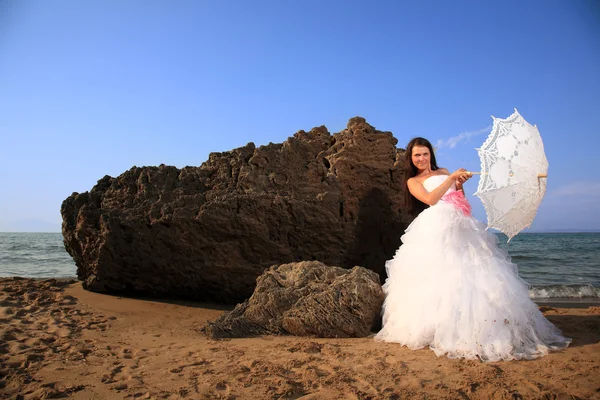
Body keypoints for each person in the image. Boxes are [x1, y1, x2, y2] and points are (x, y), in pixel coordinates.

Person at [374, 137, 571, 361]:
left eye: (425, 154)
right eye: (417, 155)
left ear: (431, 154)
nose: (421, 159)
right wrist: (450, 179)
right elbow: (431, 199)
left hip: (460, 222)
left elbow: (459, 199)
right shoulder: (413, 181)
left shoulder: (444, 171)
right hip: (436, 226)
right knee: (441, 274)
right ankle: (436, 326)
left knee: (472, 270)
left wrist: (458, 185)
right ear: (411, 158)